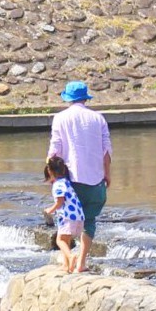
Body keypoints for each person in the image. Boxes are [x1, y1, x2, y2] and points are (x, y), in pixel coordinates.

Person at [47, 80, 111, 273]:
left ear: (68, 99)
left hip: (70, 181)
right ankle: (81, 263)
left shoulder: (60, 118)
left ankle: (67, 261)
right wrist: (107, 174)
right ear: (85, 98)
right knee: (89, 222)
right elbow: (106, 151)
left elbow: (54, 151)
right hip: (96, 180)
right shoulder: (98, 118)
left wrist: (52, 175)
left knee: (66, 221)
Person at [43, 155, 84, 274]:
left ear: (50, 171)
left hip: (67, 217)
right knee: (66, 241)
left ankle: (71, 257)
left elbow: (60, 201)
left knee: (59, 240)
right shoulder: (66, 182)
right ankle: (67, 266)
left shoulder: (57, 185)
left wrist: (50, 210)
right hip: (78, 216)